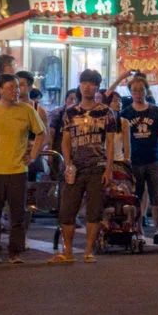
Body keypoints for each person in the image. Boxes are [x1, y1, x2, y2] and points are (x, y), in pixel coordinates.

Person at [52, 70, 116, 263]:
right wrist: (68, 163)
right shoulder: (70, 112)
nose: (87, 86)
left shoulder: (106, 112)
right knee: (67, 210)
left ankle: (89, 251)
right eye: (84, 83)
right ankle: (68, 251)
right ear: (79, 86)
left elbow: (111, 142)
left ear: (97, 87)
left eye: (91, 83)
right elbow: (65, 140)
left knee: (94, 210)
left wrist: (109, 168)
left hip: (97, 165)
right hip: (76, 167)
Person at [0, 74, 45, 264]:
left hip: (18, 169)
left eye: (17, 87)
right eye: (11, 87)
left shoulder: (26, 110)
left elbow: (42, 134)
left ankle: (15, 251)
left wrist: (32, 156)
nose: (15, 90)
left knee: (17, 214)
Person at [121, 74, 158, 244]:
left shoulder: (156, 111)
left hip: (153, 158)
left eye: (141, 90)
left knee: (156, 195)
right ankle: (138, 229)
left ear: (146, 91)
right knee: (136, 196)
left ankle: (157, 229)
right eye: (135, 91)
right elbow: (123, 138)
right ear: (130, 93)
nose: (138, 94)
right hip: (134, 160)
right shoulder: (126, 113)